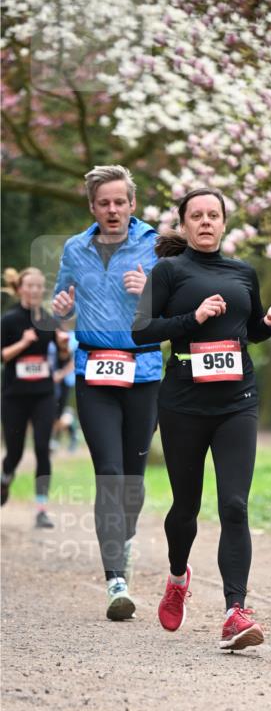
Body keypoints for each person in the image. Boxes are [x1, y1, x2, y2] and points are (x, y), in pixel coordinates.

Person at [132, 187, 271, 649]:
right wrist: (193, 317)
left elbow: (249, 332)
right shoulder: (169, 271)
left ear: (224, 223)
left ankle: (235, 612)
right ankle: (178, 577)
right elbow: (142, 332)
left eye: (213, 215)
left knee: (235, 505)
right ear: (183, 225)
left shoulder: (243, 272)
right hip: (183, 405)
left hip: (238, 402)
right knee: (186, 508)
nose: (205, 222)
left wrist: (270, 325)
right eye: (196, 215)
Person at [52, 164, 161, 621]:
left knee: (132, 483)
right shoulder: (75, 249)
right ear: (92, 207)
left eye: (120, 202)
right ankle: (116, 579)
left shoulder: (156, 245)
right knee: (109, 473)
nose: (112, 209)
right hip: (94, 372)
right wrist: (62, 309)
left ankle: (124, 538)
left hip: (145, 370)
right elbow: (61, 305)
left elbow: (176, 307)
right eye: (104, 203)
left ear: (132, 204)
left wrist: (149, 290)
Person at [1, 266, 67, 527]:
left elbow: (62, 357)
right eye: (30, 285)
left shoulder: (48, 320)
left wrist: (62, 348)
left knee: (42, 448)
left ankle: (41, 509)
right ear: (20, 289)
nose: (35, 290)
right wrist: (23, 343)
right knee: (15, 453)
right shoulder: (9, 320)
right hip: (14, 396)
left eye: (39, 286)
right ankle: (5, 478)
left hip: (43, 394)